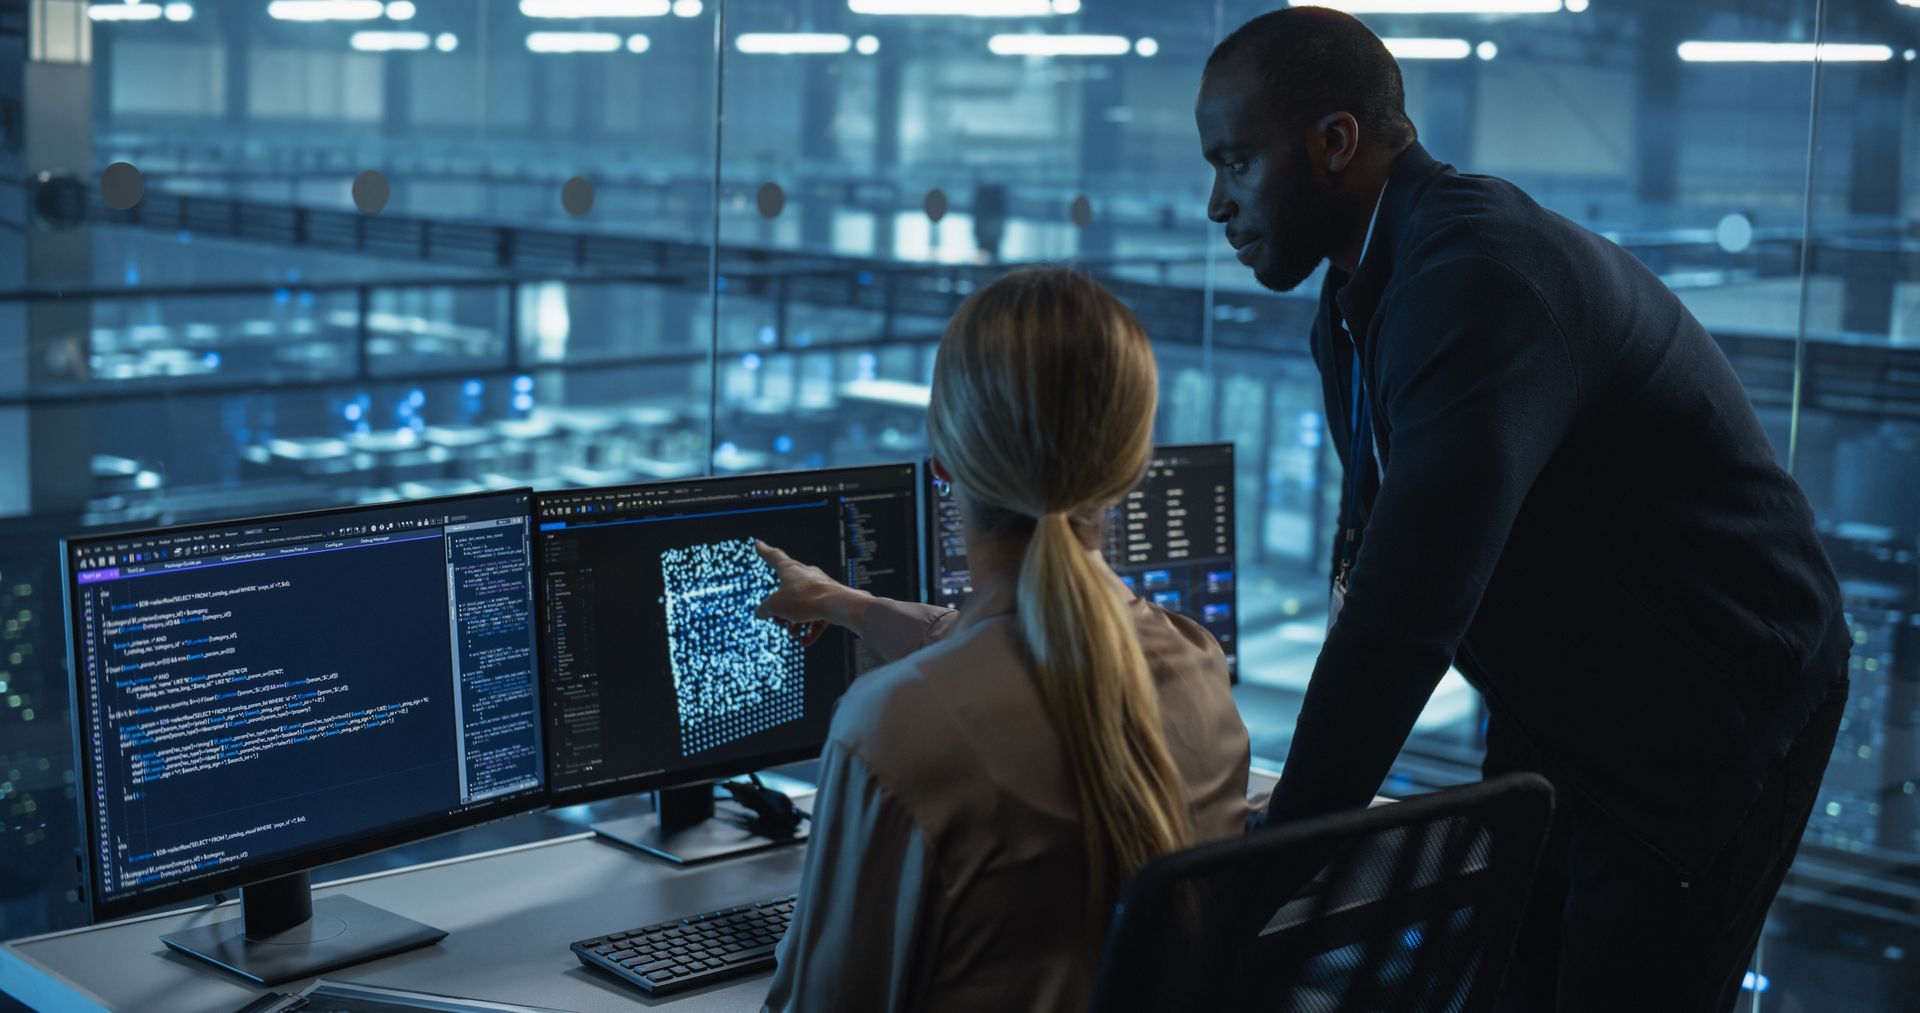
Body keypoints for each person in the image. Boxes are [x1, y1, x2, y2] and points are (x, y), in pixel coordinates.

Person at [1195, 9, 1849, 1012]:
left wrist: (1255, 883)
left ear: (1334, 142)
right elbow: (1371, 557)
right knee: (1513, 974)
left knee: (1624, 976)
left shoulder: (1477, 279)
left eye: (1235, 163)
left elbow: (1403, 618)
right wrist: (1292, 821)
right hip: (1569, 684)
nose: (1215, 204)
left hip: (1708, 699)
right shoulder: (1357, 300)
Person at [754, 267, 1252, 1012]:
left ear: (945, 462)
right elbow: (1023, 646)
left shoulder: (890, 728)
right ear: (1134, 466)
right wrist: (848, 603)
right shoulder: (1199, 670)